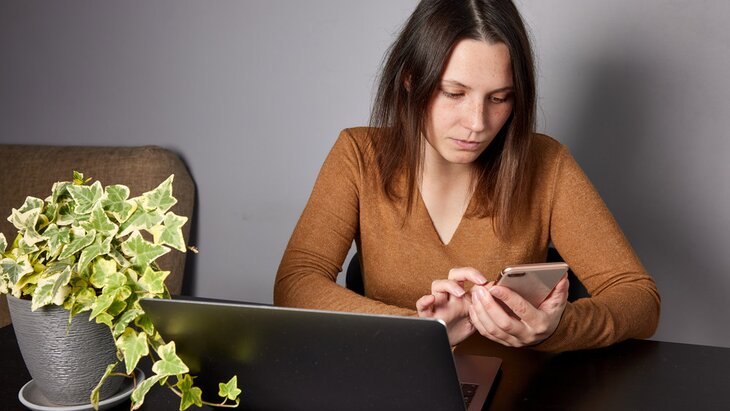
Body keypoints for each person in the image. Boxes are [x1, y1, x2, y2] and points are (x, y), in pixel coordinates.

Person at [274, 0, 660, 352]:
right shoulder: (359, 154)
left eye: (499, 98)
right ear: (410, 80)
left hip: (516, 390)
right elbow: (296, 282)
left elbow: (640, 299)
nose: (477, 123)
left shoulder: (547, 164)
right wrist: (425, 331)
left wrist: (555, 327)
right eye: (454, 93)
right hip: (393, 380)